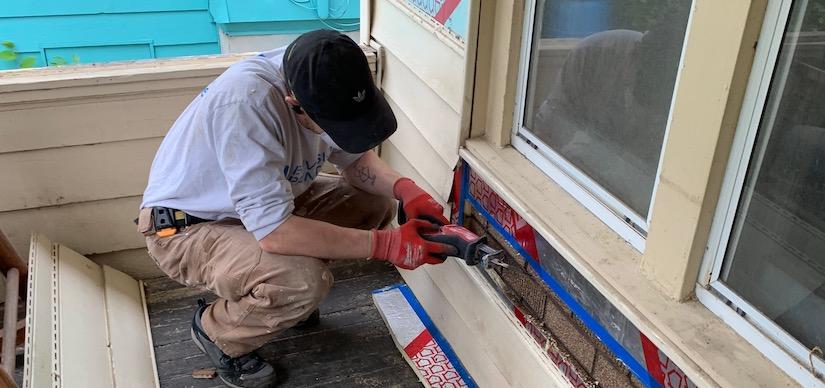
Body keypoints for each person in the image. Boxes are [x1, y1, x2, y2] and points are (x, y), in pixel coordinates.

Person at [136, 29, 451, 388]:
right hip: (186, 229)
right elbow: (274, 232)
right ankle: (217, 330)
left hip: (261, 209)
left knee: (373, 202)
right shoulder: (245, 103)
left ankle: (280, 294)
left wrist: (406, 190)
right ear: (293, 102)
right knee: (301, 281)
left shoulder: (324, 74)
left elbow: (355, 162)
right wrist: (388, 246)